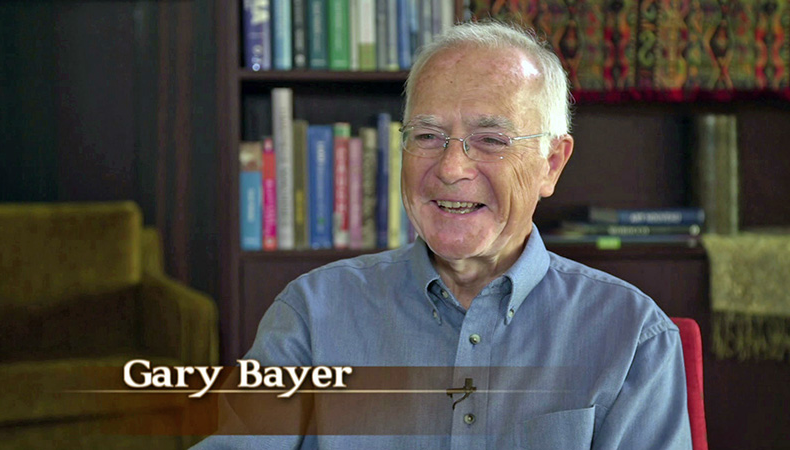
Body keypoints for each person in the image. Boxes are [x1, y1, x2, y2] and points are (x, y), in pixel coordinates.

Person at [194, 20, 691, 449]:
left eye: (490, 140)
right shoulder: (311, 314)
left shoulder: (632, 336)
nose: (451, 168)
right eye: (428, 136)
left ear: (551, 163)